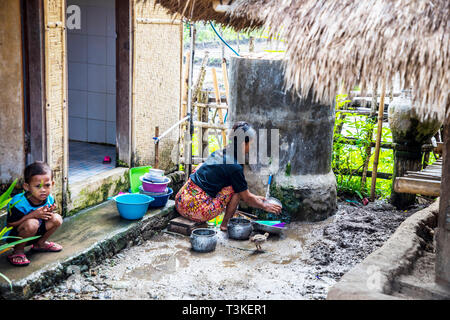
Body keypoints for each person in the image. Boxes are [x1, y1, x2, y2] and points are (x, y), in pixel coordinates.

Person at [175, 122, 282, 231]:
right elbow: (246, 197)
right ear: (242, 144)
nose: (251, 148)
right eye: (251, 144)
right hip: (194, 211)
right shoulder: (235, 167)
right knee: (236, 190)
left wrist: (257, 198)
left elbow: (247, 195)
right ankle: (224, 225)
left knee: (202, 166)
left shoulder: (218, 153)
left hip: (180, 202)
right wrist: (265, 206)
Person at [5, 161, 63, 266]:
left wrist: (48, 213)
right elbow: (10, 225)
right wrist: (33, 215)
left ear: (52, 184)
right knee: (32, 223)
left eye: (47, 185)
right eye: (38, 186)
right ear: (27, 187)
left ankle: (40, 244)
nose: (43, 190)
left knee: (57, 218)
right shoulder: (19, 203)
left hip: (36, 232)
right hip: (16, 236)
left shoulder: (49, 199)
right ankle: (18, 251)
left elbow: (48, 219)